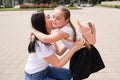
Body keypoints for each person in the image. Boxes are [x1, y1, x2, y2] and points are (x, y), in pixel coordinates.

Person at [32, 6, 105, 80]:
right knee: (75, 75)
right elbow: (58, 53)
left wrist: (34, 31)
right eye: (52, 17)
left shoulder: (63, 31)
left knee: (75, 75)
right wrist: (73, 45)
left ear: (67, 20)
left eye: (57, 18)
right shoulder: (63, 28)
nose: (53, 20)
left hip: (83, 53)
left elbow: (47, 41)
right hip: (80, 52)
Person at [24, 10, 85, 80]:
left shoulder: (49, 37)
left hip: (46, 69)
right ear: (42, 23)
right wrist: (74, 48)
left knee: (68, 74)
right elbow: (58, 64)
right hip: (35, 76)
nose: (53, 19)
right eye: (49, 17)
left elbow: (59, 52)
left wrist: (72, 41)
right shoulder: (41, 44)